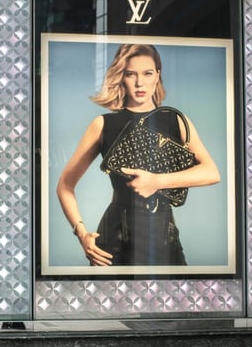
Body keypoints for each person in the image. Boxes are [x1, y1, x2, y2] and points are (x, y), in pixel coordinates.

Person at [56, 43, 220, 267]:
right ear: (121, 77)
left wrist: (157, 181)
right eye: (131, 74)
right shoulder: (103, 124)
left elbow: (211, 172)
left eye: (147, 73)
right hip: (115, 234)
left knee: (174, 300)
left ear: (157, 75)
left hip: (163, 232)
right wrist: (82, 234)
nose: (140, 83)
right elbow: (65, 185)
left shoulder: (176, 121)